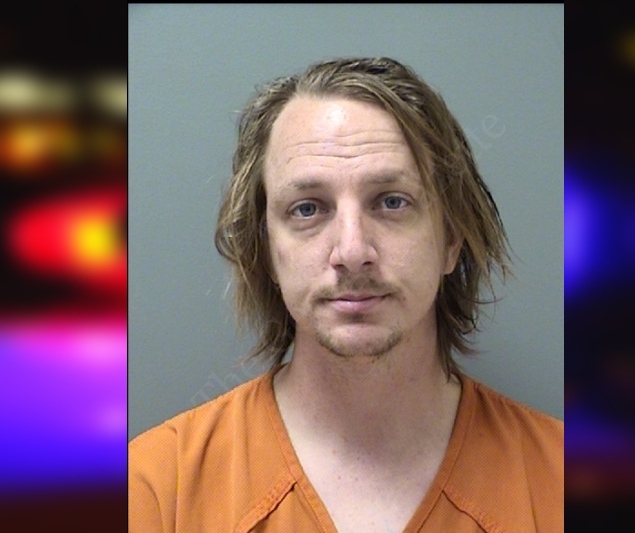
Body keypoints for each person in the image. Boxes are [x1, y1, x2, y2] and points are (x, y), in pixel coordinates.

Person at [129, 56, 563, 533]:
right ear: (266, 250)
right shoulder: (156, 490)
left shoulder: (561, 481)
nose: (353, 252)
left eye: (392, 201)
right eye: (307, 208)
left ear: (452, 239)